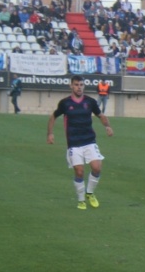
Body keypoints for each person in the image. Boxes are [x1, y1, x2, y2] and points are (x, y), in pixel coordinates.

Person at [46, 75, 114, 210]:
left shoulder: (90, 102)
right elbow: (53, 116)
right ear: (71, 86)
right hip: (74, 143)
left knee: (97, 167)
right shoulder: (65, 103)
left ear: (84, 86)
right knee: (79, 172)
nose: (79, 87)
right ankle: (81, 200)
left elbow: (100, 115)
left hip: (89, 141)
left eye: (81, 85)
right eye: (76, 84)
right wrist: (50, 133)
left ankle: (90, 193)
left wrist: (107, 126)